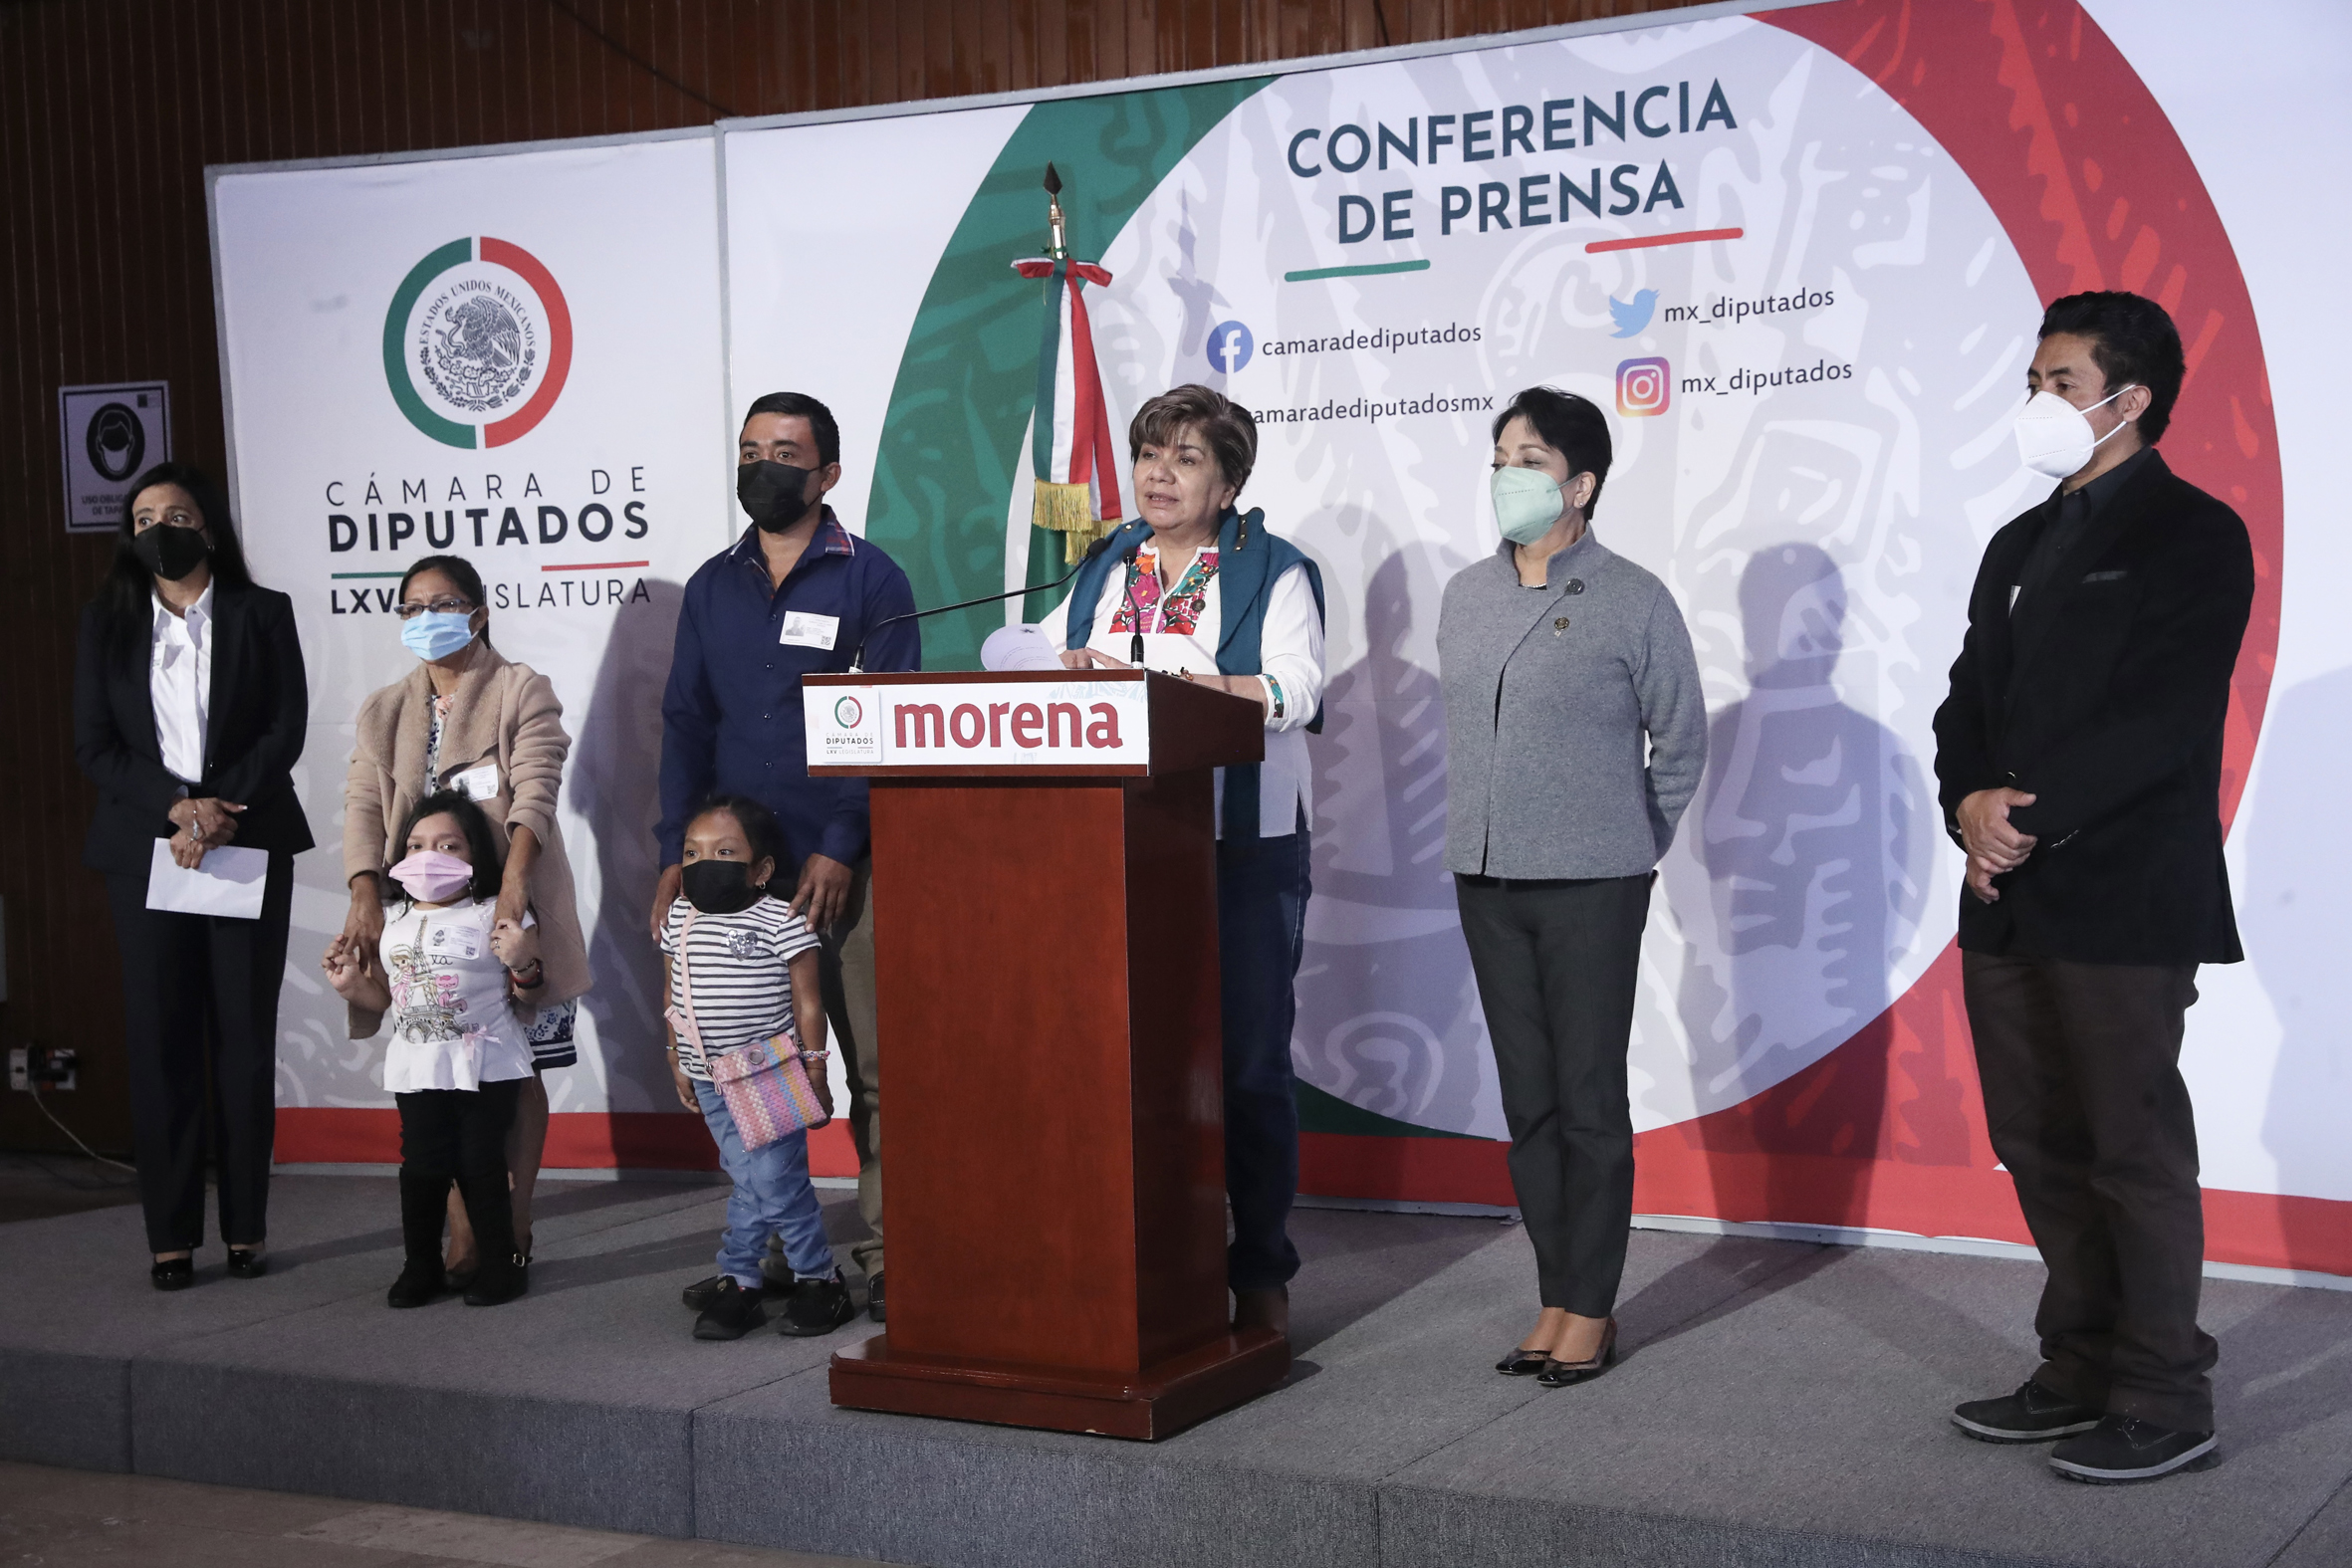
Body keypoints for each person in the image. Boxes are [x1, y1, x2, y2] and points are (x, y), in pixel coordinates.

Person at [1934, 291, 2252, 1483]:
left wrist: (2022, 819)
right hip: (2006, 892)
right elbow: (1966, 700)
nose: (2037, 402)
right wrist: (1968, 801)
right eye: (2033, 381)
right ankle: (2077, 1367)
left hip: (2124, 892)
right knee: (2037, 1140)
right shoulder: (2016, 544)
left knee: (2131, 1148)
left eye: (2059, 383)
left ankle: (2165, 1394)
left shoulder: (2194, 534)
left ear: (2132, 399)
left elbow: (2163, 720)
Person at [1036, 382, 1327, 1335]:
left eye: (1187, 457)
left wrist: (1181, 685)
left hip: (1243, 847)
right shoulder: (1106, 563)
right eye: (1150, 454)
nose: (1159, 474)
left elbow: (1297, 689)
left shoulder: (1274, 568)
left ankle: (1261, 1265)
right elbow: (1040, 655)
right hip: (1114, 847)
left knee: (1245, 1064)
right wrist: (1056, 666)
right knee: (1128, 1060)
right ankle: (1150, 1261)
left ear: (1230, 482)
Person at [1437, 387, 1705, 1386]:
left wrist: (1629, 838)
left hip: (1593, 881)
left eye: (1531, 458)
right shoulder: (1466, 594)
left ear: (1580, 484)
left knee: (1588, 1098)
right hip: (1486, 875)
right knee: (1530, 1102)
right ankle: (1554, 1293)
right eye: (1500, 456)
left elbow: (1681, 740)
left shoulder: (1633, 596)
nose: (1507, 473)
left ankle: (1592, 1305)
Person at [654, 391, 918, 1321]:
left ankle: (894, 1256)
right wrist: (675, 853)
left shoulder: (873, 579)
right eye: (750, 450)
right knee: (746, 1069)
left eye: (784, 453)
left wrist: (841, 844)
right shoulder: (711, 586)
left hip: (848, 865)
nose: (763, 466)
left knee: (878, 1072)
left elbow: (889, 725)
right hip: (738, 882)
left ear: (828, 473)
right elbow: (686, 724)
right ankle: (768, 1250)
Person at [72, 463, 312, 1290]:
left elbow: (285, 726)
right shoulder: (105, 622)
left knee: (243, 1041)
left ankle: (246, 1228)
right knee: (161, 1041)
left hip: (245, 840)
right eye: (143, 517)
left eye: (175, 515)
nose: (158, 529)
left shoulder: (261, 611)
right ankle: (169, 1237)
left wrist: (215, 810)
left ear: (207, 526)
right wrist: (178, 808)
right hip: (146, 851)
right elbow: (95, 745)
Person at [339, 555, 592, 1283]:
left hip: (513, 913)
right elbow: (362, 807)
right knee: (441, 1076)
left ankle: (514, 1217)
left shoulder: (519, 687)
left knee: (519, 1069)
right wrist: (363, 892)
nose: (427, 618)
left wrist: (513, 889)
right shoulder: (384, 709)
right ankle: (463, 1228)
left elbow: (536, 789)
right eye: (412, 607)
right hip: (425, 921)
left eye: (443, 604)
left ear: (478, 613)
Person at [324, 791, 540, 1307]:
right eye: (416, 845)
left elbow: (532, 991)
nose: (429, 857)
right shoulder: (391, 920)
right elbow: (385, 998)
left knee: (481, 1163)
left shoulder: (495, 913)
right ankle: (419, 1266)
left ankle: (501, 1265)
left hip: (485, 1063)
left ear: (474, 855)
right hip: (418, 1066)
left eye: (449, 846)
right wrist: (351, 984)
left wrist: (523, 960)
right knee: (422, 1165)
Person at [660, 795, 846, 1340]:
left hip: (769, 1075)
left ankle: (815, 1278)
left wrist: (816, 1072)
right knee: (748, 1177)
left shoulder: (782, 920)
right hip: (707, 1075)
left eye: (724, 852)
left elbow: (808, 1003)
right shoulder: (679, 917)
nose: (704, 863)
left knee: (772, 1180)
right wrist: (675, 1055)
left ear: (761, 869)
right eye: (691, 853)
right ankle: (744, 1281)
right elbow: (673, 991)